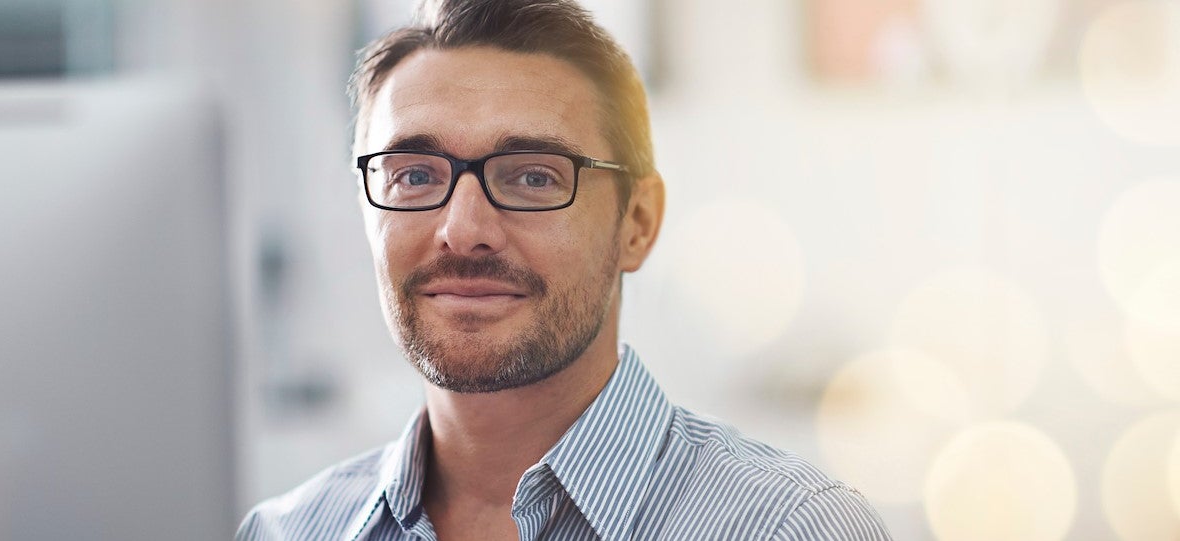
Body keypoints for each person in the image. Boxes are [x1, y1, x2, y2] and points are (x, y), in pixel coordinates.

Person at [238, 0, 892, 539]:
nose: (463, 229)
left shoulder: (794, 528)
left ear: (637, 222)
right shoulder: (286, 531)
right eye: (414, 175)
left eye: (531, 176)